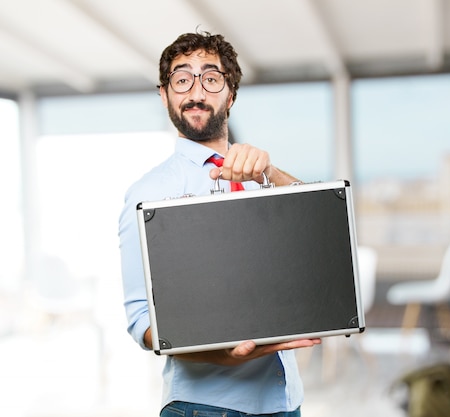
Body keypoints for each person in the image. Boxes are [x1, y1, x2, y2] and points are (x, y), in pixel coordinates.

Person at [118, 31, 321, 417]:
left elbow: (321, 233)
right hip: (204, 407)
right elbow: (141, 321)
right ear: (165, 95)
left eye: (211, 79)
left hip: (285, 403)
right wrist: (221, 356)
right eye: (182, 79)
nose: (196, 92)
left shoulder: (262, 175)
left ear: (231, 94)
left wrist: (271, 173)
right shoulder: (148, 193)